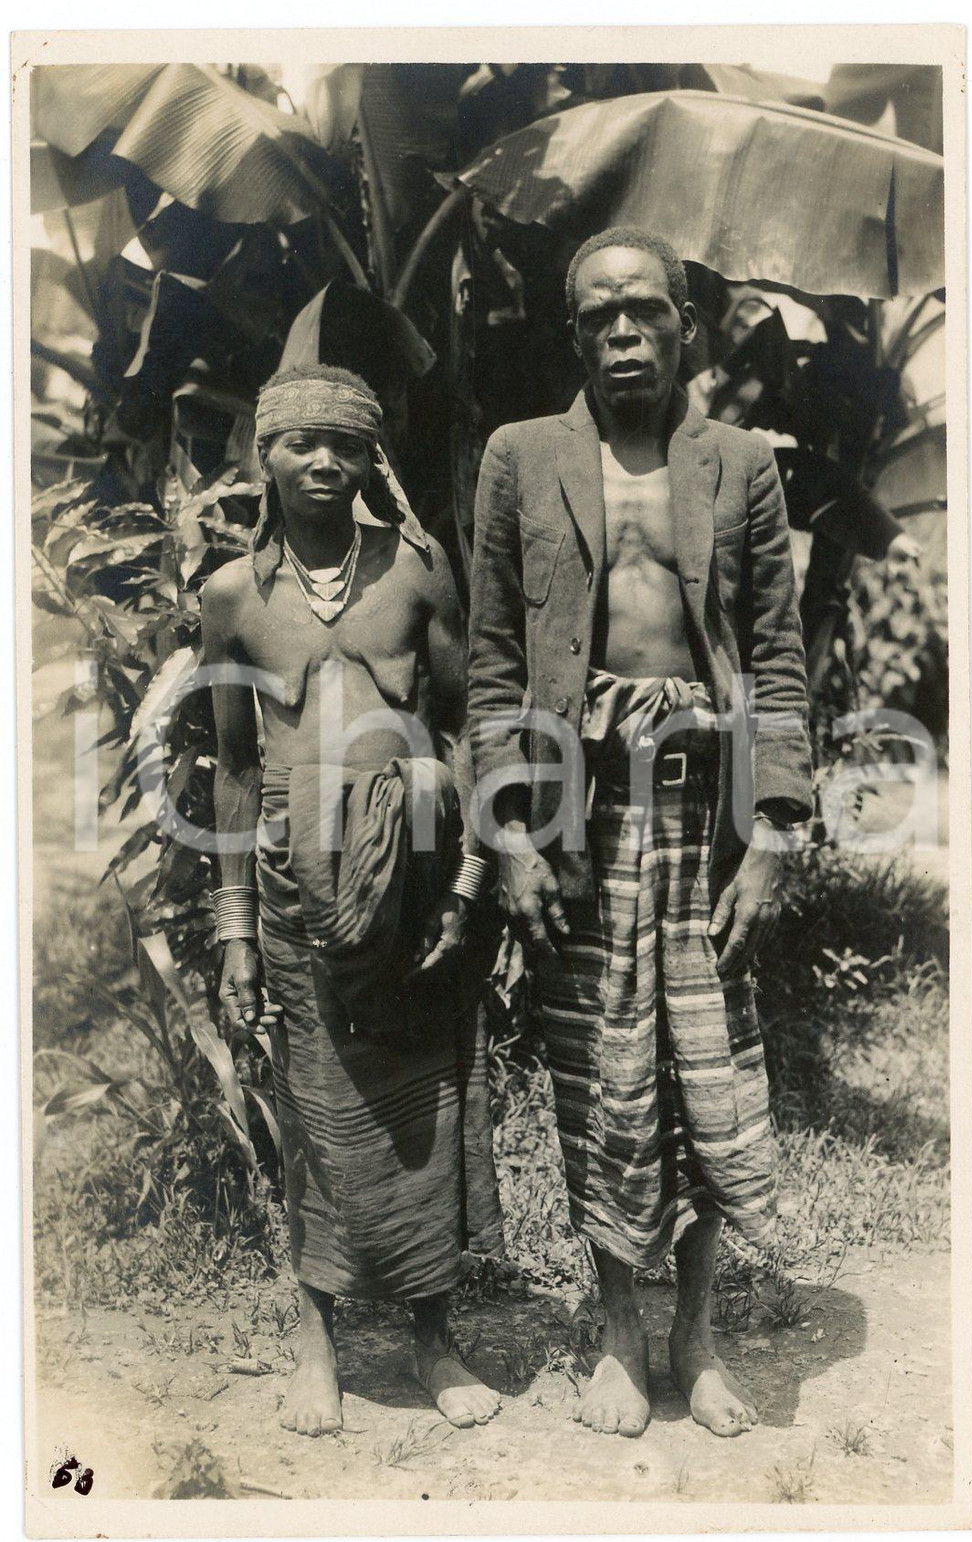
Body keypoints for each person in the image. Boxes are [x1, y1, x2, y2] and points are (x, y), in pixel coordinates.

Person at [468, 228, 813, 1440]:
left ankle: (696, 1338)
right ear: (575, 335)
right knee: (600, 1074)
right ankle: (620, 1334)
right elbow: (494, 658)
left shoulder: (739, 464)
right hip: (580, 806)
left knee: (708, 1072)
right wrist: (509, 833)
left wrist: (773, 831)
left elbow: (775, 654)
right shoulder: (520, 457)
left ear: (684, 326)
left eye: (645, 311)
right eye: (599, 316)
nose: (623, 333)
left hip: (705, 811)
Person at [201, 364, 503, 1437]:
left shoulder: (416, 572)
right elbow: (237, 767)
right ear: (266, 458)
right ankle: (316, 1341)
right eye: (302, 443)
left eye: (346, 443)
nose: (325, 461)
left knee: (424, 1107)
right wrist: (237, 933)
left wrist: (467, 880)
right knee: (316, 1109)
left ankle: (434, 1338)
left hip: (415, 873)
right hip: (297, 884)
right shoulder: (233, 598)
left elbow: (462, 726)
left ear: (374, 459)